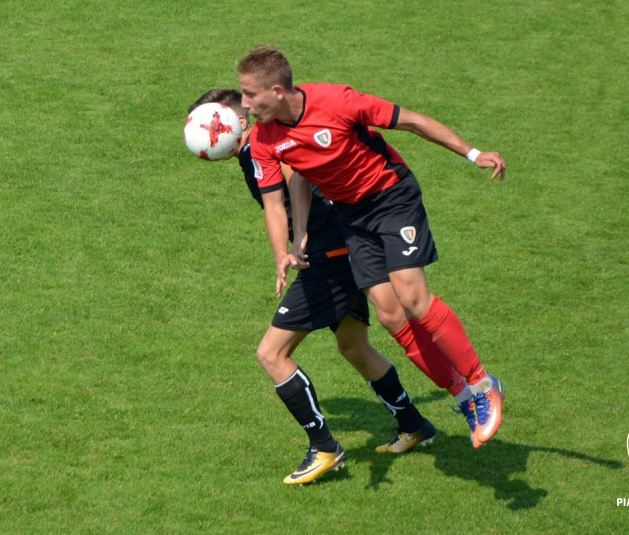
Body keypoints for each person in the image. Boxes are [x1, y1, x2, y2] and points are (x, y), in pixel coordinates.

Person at [237, 46, 507, 449]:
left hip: (391, 197)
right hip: (352, 216)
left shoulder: (336, 101)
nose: (243, 105)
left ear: (277, 91)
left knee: (413, 299)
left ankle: (483, 384)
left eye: (249, 94)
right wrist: (287, 246)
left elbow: (412, 121)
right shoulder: (265, 137)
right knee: (391, 315)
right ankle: (463, 395)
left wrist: (473, 154)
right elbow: (283, 194)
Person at [188, 89, 438, 485]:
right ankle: (414, 423)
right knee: (353, 345)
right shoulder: (257, 147)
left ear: (234, 121)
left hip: (328, 256)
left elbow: (296, 175)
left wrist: (296, 242)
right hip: (340, 245)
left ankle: (324, 447)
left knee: (271, 354)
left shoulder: (261, 148)